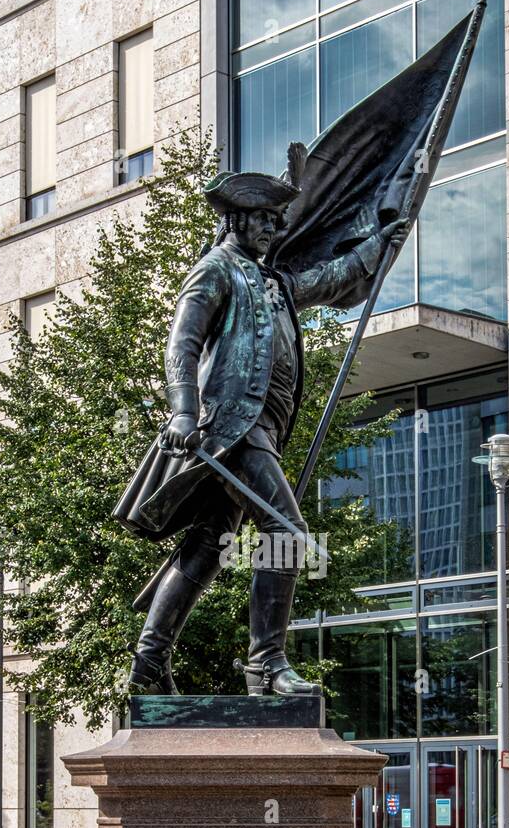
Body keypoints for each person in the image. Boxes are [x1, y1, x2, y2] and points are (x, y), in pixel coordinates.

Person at [114, 169, 409, 696]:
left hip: (263, 428)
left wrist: (381, 245)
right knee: (287, 534)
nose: (274, 229)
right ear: (237, 219)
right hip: (231, 425)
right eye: (266, 220)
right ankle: (265, 664)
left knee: (209, 544)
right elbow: (181, 344)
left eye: (277, 220)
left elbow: (330, 278)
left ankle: (148, 663)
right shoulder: (215, 270)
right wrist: (184, 412)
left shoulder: (272, 282)